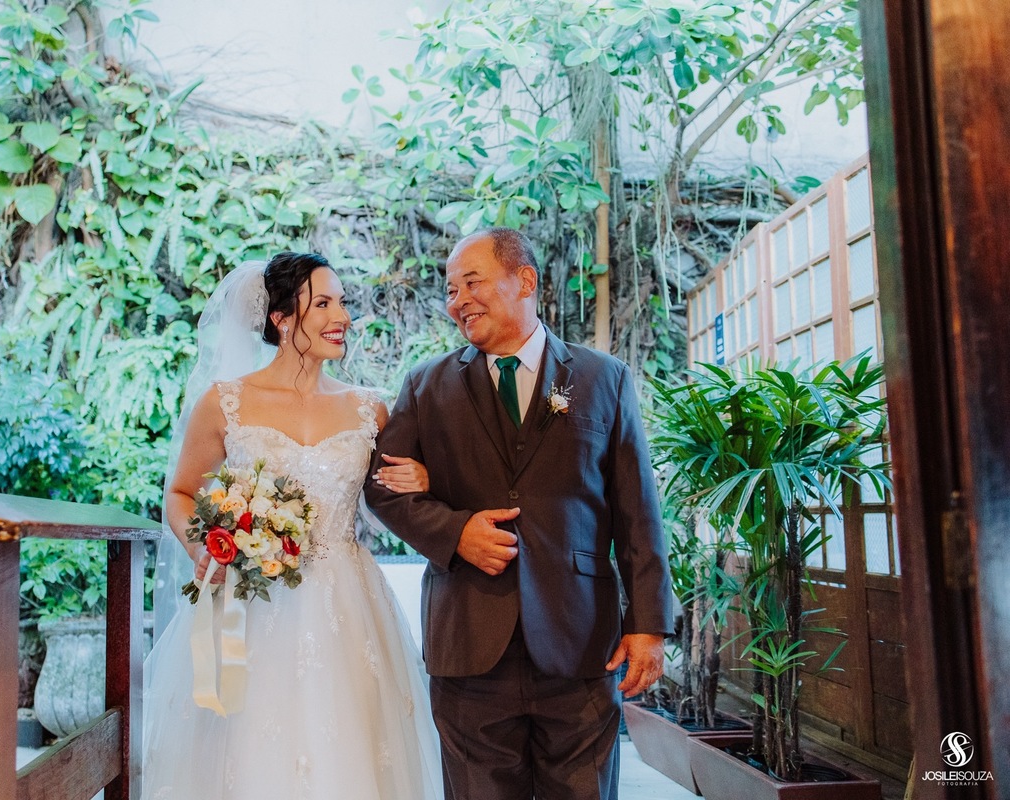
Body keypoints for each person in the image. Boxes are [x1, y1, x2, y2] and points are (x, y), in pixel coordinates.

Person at [365, 228, 674, 800]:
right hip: (469, 644)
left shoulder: (604, 378)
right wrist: (456, 532)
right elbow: (384, 488)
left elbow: (637, 511)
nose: (458, 299)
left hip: (581, 644)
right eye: (450, 289)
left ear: (525, 280)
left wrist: (649, 625)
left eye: (471, 282)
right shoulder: (427, 386)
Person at [143, 252, 444, 800]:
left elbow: (394, 489)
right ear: (282, 319)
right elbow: (182, 493)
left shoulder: (369, 409)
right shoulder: (226, 402)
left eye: (342, 303)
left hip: (348, 605)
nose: (343, 317)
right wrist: (203, 548)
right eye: (323, 303)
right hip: (250, 606)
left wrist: (422, 474)